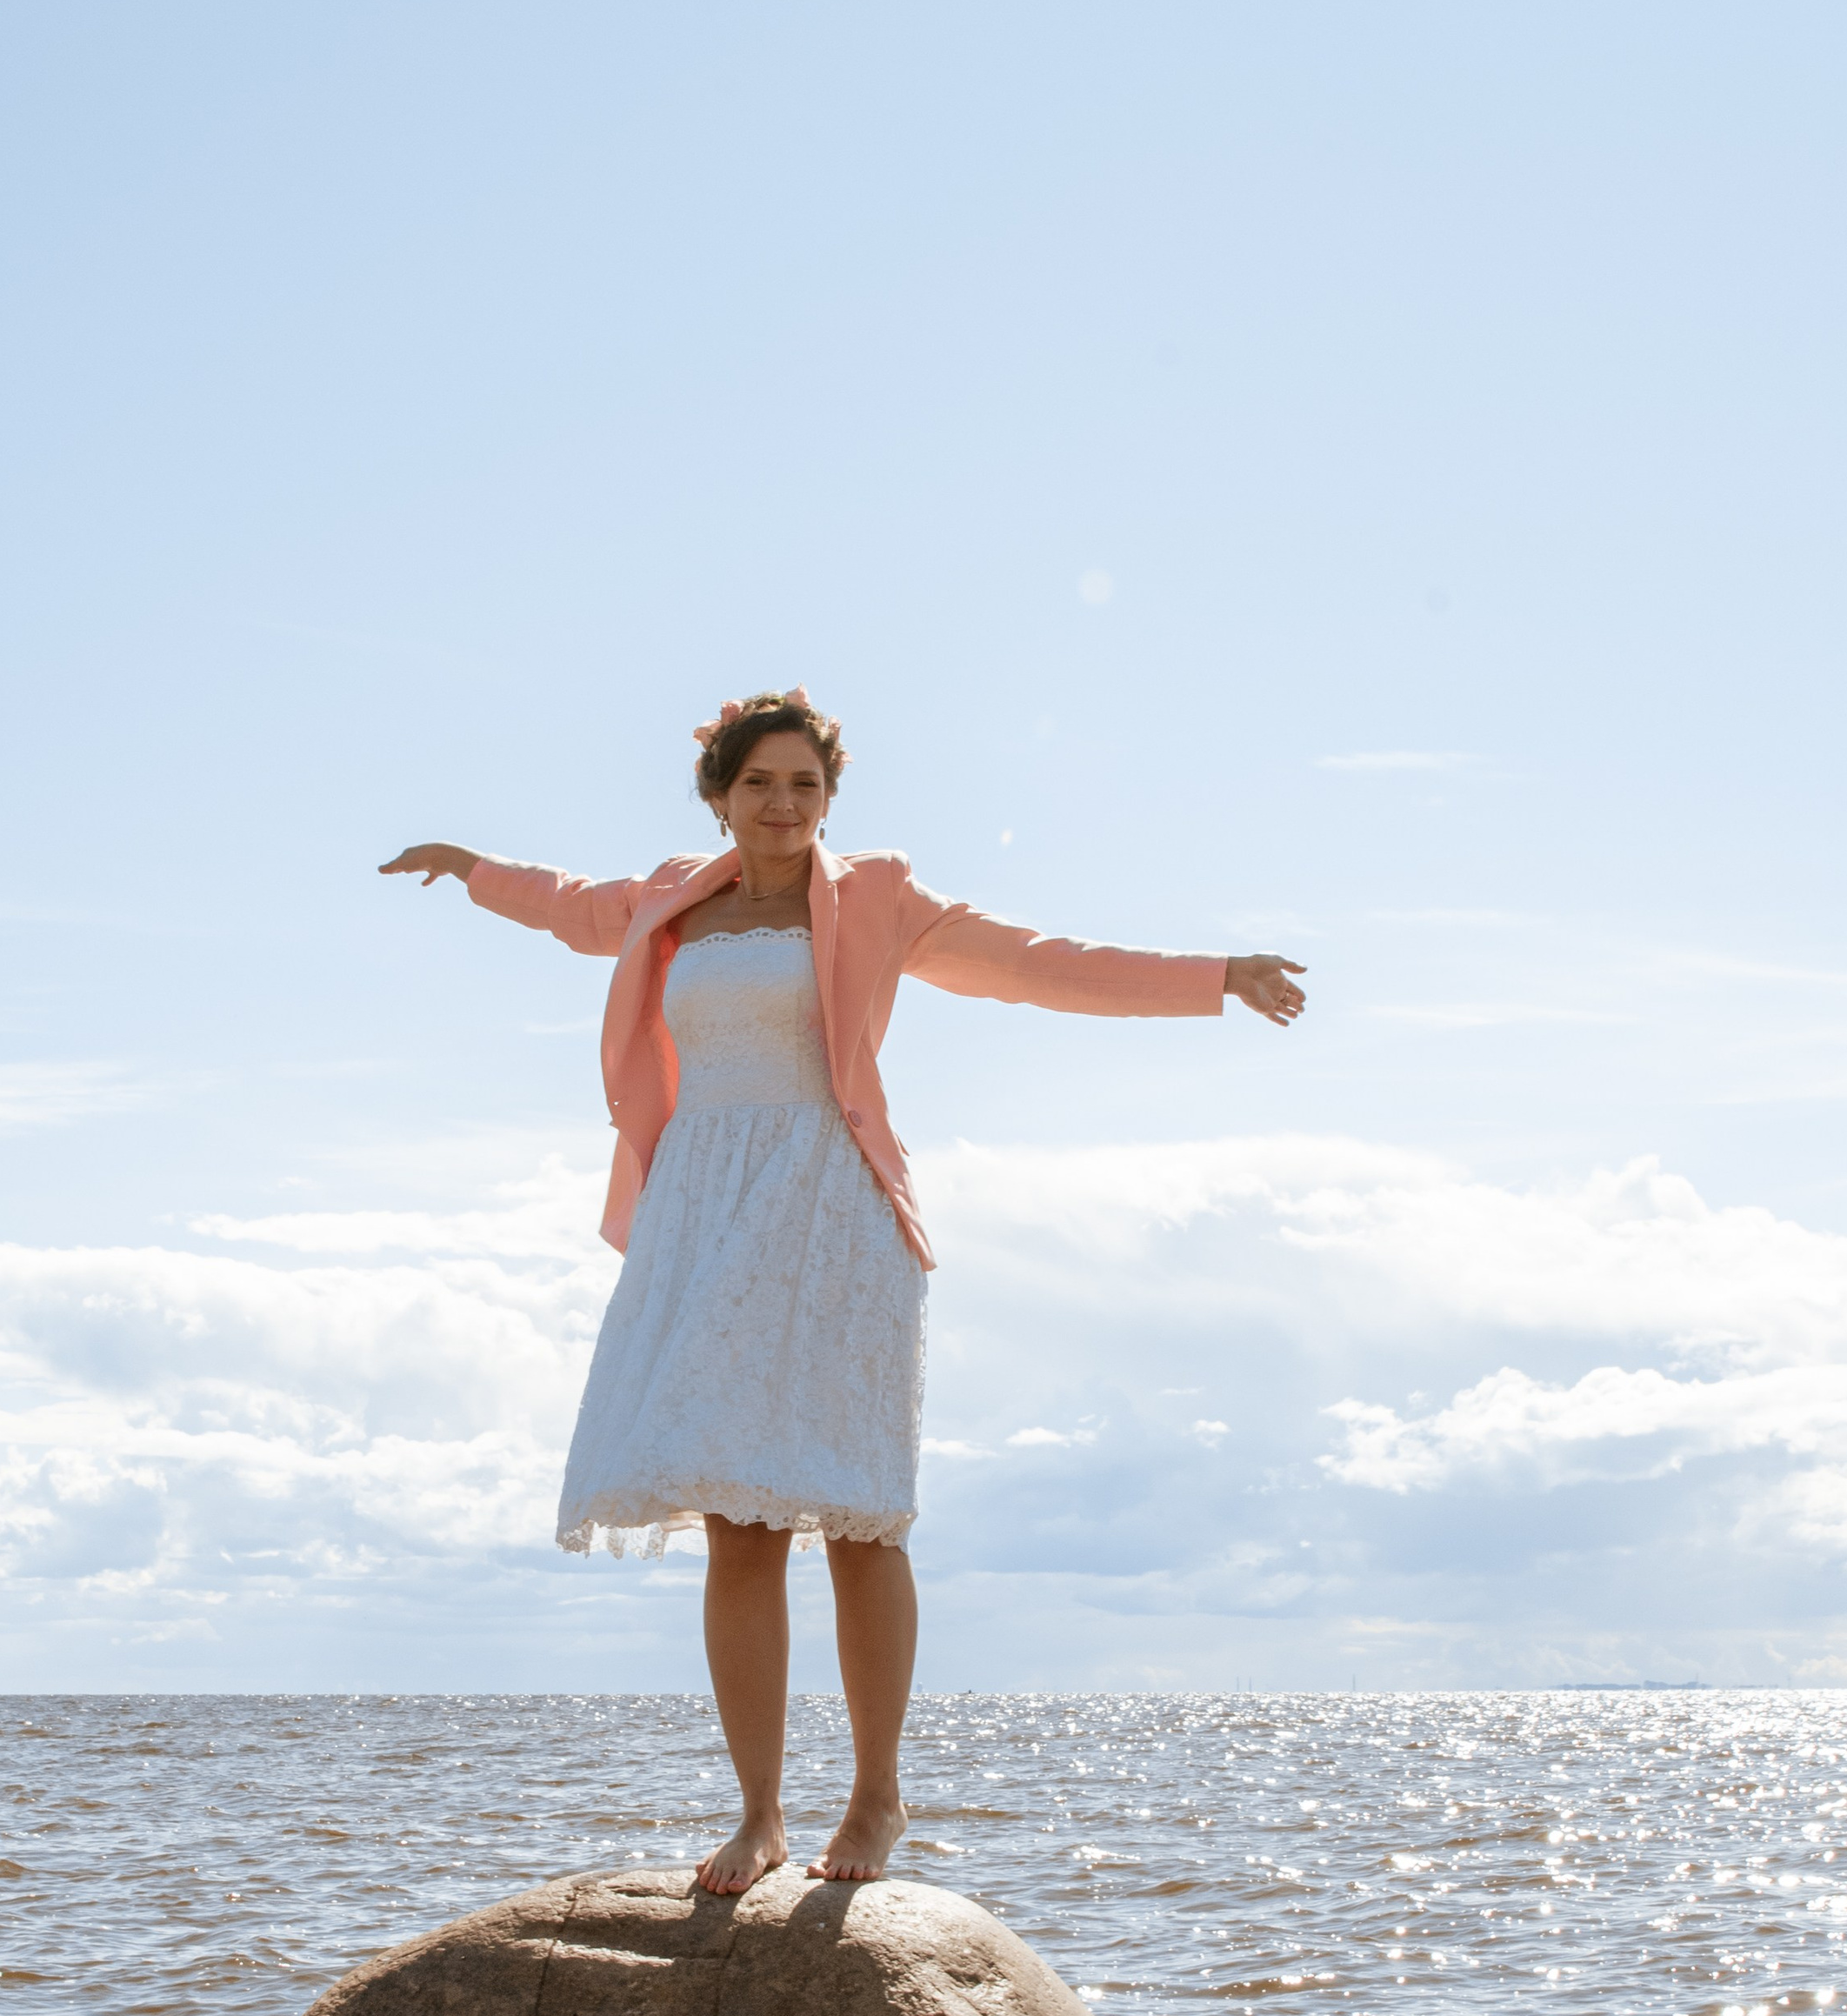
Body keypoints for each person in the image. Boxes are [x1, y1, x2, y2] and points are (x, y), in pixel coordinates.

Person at [380, 689, 1305, 1896]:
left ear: (831, 798)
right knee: (739, 1520)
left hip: (832, 1208)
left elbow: (1034, 966)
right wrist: (471, 868)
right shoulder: (673, 896)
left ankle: (875, 1799)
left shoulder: (876, 898)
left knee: (860, 1517)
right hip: (704, 1217)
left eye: (805, 786)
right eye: (760, 784)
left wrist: (1212, 976)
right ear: (720, 796)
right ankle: (760, 1816)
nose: (783, 805)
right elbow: (567, 908)